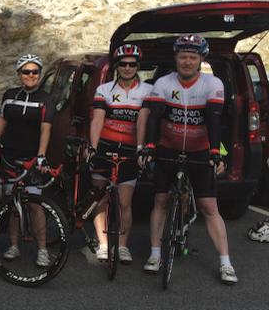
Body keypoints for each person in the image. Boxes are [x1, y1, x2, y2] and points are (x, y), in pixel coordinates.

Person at [138, 34, 237, 284]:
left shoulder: (212, 84)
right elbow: (154, 117)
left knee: (209, 207)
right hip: (168, 148)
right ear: (176, 58)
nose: (187, 62)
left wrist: (215, 151)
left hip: (200, 150)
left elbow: (214, 120)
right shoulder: (163, 83)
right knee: (160, 200)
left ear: (201, 59)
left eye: (193, 57)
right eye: (183, 57)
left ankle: (225, 263)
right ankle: (155, 253)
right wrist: (148, 146)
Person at [87, 44, 151, 264]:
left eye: (132, 64)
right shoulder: (104, 90)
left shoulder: (146, 91)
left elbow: (143, 122)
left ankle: (123, 246)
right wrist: (93, 148)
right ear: (116, 66)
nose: (127, 68)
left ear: (137, 67)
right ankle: (103, 244)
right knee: (101, 199)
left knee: (124, 202)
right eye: (122, 64)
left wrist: (141, 148)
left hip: (129, 151)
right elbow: (97, 120)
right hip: (105, 147)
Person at [0, 54, 55, 267]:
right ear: (19, 74)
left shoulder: (46, 98)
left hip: (32, 157)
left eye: (34, 72)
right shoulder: (9, 95)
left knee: (35, 206)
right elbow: (2, 118)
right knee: (13, 204)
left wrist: (41, 155)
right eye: (26, 72)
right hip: (10, 156)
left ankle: (43, 250)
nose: (30, 75)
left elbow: (46, 128)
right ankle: (13, 245)